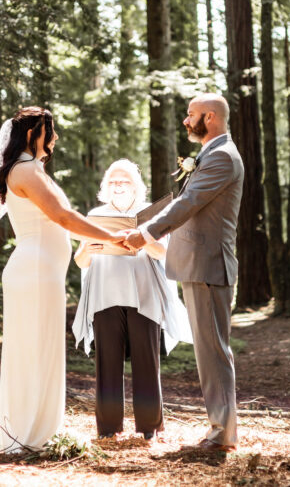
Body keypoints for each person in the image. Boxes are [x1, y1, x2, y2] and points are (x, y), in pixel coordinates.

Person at [0, 107, 130, 454]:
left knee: (40, 349)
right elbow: (63, 216)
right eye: (50, 131)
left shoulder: (30, 169)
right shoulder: (26, 170)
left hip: (41, 272)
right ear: (33, 134)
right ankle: (30, 434)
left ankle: (37, 430)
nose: (55, 138)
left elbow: (62, 220)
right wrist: (116, 238)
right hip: (34, 273)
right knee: (34, 350)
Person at [123, 93, 243, 452]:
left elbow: (189, 204)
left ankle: (223, 435)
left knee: (213, 350)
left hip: (209, 265)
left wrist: (144, 234)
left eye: (191, 115)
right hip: (199, 263)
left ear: (210, 117)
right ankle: (221, 430)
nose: (185, 121)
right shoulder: (212, 154)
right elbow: (183, 203)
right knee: (209, 349)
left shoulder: (222, 156)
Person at [71, 159, 192, 442]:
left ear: (136, 187)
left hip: (144, 294)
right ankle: (108, 428)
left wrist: (140, 239)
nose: (118, 186)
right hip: (105, 296)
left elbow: (163, 253)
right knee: (107, 362)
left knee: (146, 360)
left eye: (124, 181)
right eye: (113, 182)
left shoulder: (152, 215)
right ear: (105, 187)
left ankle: (149, 427)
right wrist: (88, 246)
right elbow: (80, 261)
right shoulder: (95, 215)